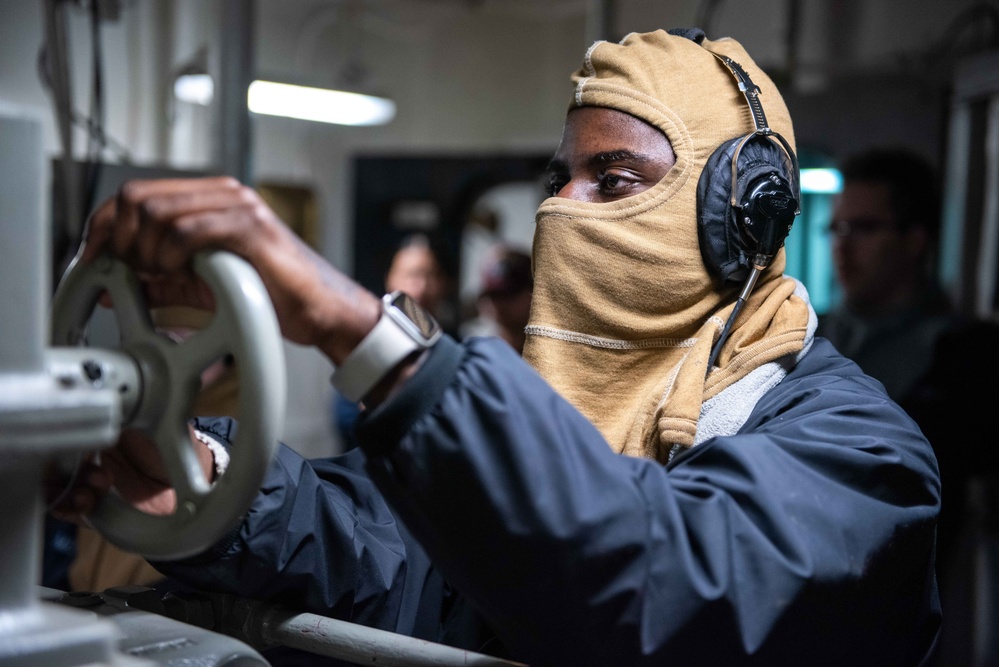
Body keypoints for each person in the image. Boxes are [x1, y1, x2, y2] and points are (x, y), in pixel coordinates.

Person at [52, 29, 940, 665]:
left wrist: (369, 337)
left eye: (615, 181)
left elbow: (660, 582)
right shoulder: (549, 403)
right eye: (561, 178)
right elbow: (398, 553)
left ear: (739, 217)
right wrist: (201, 476)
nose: (562, 211)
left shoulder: (859, 454)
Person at [819, 148, 999, 664]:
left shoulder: (966, 355)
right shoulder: (804, 338)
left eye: (864, 229)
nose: (843, 248)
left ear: (915, 241)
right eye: (837, 230)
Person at [332, 233, 452, 451]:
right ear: (390, 278)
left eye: (431, 275)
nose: (422, 287)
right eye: (411, 275)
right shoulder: (368, 342)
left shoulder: (452, 349)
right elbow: (345, 418)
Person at [459, 244, 533, 354]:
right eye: (493, 296)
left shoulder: (550, 349)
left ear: (532, 293)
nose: (499, 305)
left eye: (508, 295)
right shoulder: (475, 347)